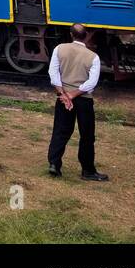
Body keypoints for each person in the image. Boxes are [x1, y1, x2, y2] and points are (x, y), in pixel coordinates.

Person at [48, 23, 108, 181]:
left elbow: (53, 73)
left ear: (71, 34)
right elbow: (91, 83)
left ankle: (54, 164)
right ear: (86, 35)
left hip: (63, 98)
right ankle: (87, 170)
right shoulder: (93, 57)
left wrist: (64, 94)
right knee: (87, 135)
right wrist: (73, 95)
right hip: (84, 100)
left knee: (60, 131)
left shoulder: (59, 49)